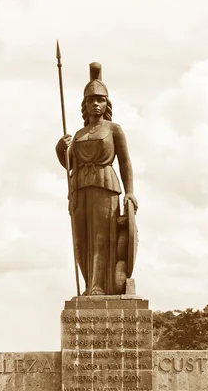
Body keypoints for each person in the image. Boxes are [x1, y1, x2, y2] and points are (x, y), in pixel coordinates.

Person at [55, 62, 138, 296]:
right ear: (85, 105)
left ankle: (98, 286)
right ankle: (88, 283)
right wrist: (60, 150)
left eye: (100, 100)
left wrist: (130, 192)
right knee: (81, 241)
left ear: (106, 104)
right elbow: (70, 167)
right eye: (91, 100)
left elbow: (124, 161)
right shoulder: (79, 134)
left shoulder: (114, 129)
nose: (95, 104)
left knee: (101, 239)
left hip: (105, 185)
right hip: (79, 188)